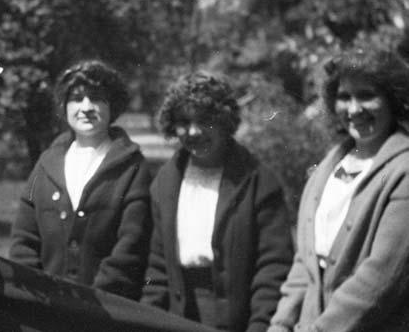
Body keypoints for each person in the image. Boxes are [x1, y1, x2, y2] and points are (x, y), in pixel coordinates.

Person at [268, 48, 409, 332]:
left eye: (367, 95)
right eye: (345, 97)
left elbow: (380, 278)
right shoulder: (328, 167)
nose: (354, 109)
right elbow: (304, 265)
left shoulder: (403, 170)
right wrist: (280, 324)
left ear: (394, 100)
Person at [141, 72, 293, 332]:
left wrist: (260, 326)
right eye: (184, 122)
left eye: (205, 121)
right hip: (178, 316)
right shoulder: (165, 183)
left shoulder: (258, 182)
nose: (194, 131)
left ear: (224, 121)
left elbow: (273, 267)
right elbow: (157, 268)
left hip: (238, 320)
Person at [8, 60, 152, 299]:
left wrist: (96, 299)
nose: (86, 107)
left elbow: (132, 243)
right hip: (47, 307)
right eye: (76, 98)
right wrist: (35, 292)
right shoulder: (46, 164)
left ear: (112, 107)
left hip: (110, 309)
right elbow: (24, 239)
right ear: (64, 106)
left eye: (96, 98)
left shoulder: (133, 167)